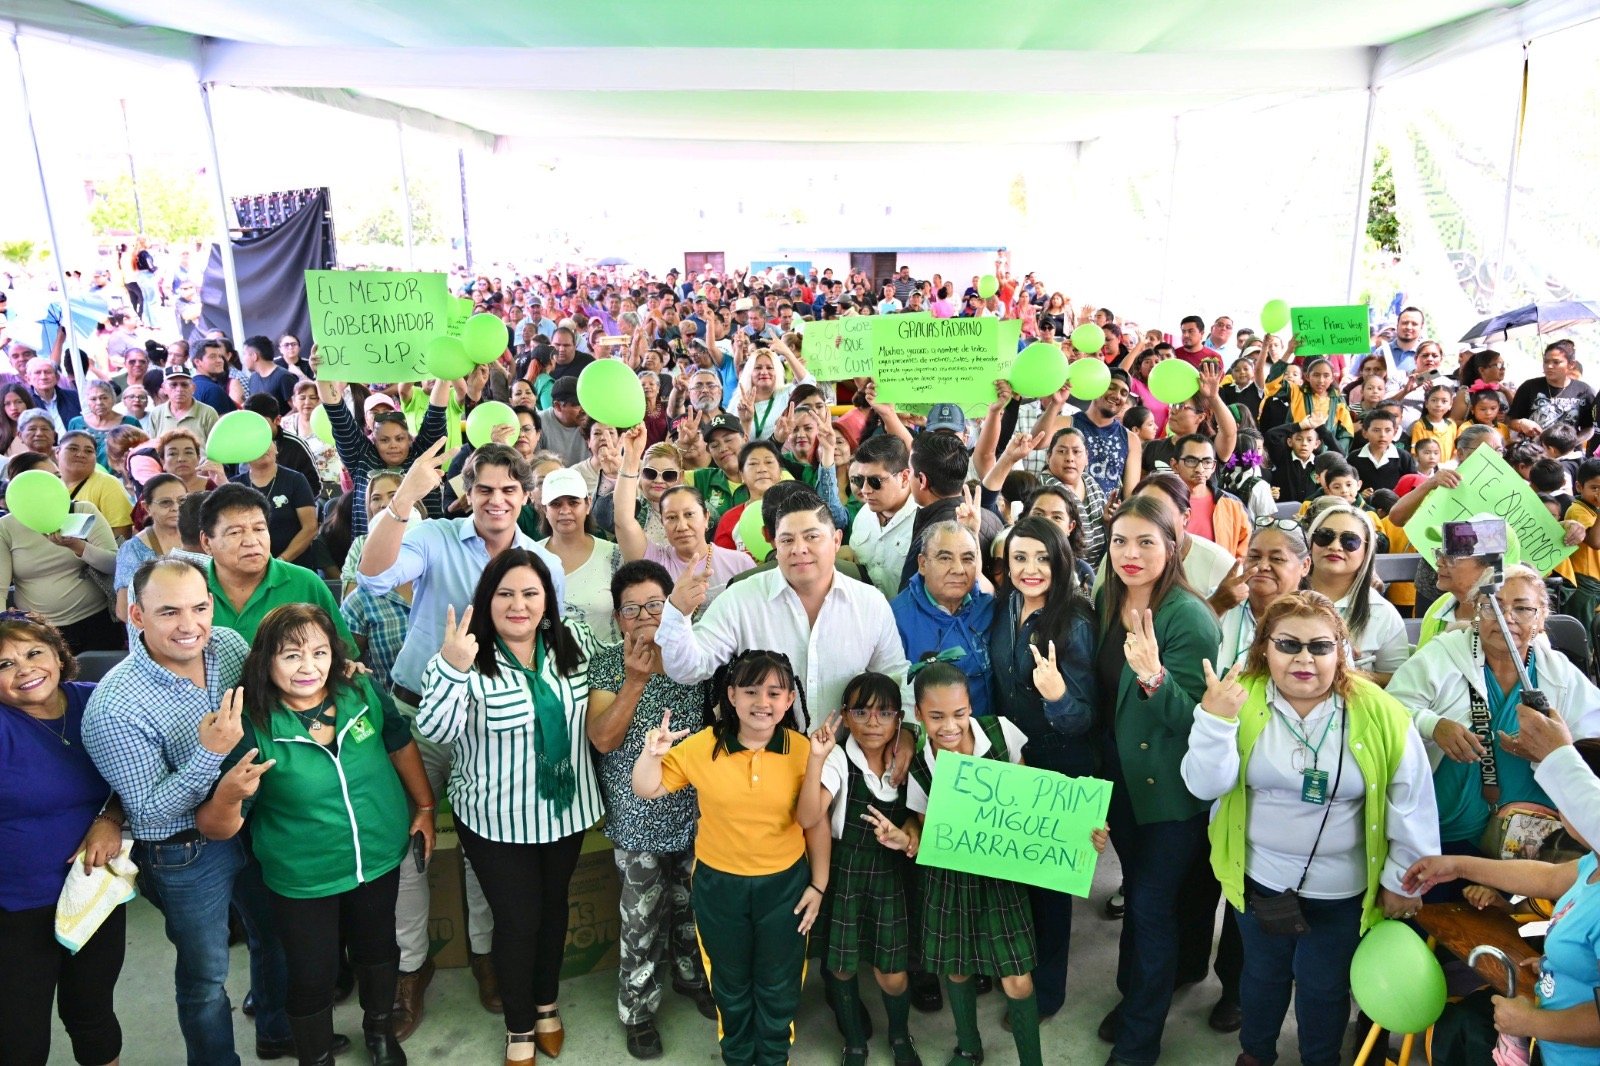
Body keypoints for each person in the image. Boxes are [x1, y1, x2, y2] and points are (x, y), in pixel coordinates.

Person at [357, 441, 565, 1037]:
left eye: (508, 490)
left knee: (487, 846)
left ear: (525, 497)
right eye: (484, 489)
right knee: (409, 847)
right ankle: (410, 969)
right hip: (419, 717)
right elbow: (372, 577)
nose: (496, 500)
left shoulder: (539, 561)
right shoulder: (434, 536)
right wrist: (403, 499)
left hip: (495, 724)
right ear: (467, 493)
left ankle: (486, 956)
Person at [1182, 590, 1438, 1066]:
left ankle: (1321, 1059)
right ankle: (1255, 1053)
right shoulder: (1239, 698)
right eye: (1288, 645)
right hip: (1259, 877)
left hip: (1342, 888)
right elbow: (1203, 786)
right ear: (1265, 649)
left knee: (1324, 985)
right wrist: (1214, 722)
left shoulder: (1378, 710)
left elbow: (1412, 799)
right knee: (1261, 975)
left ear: (1342, 651)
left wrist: (1402, 879)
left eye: (1320, 646)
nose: (1304, 658)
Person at [82, 557, 304, 1064]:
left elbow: (276, 688)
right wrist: (210, 754)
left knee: (273, 933)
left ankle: (276, 1030)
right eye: (169, 613)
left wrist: (338, 671)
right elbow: (149, 811)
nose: (190, 626)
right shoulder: (115, 706)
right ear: (136, 617)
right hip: (184, 853)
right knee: (207, 976)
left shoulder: (225, 644)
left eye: (200, 607)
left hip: (254, 821)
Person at [196, 604, 433, 1066]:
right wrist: (227, 796)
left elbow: (399, 740)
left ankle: (380, 1033)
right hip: (303, 876)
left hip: (378, 857)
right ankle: (316, 1056)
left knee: (379, 951)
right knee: (311, 974)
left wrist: (424, 806)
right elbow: (218, 826)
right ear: (265, 660)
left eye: (320, 652)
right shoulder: (253, 724)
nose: (309, 667)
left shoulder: (360, 689)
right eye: (291, 656)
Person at [418, 550, 604, 1064]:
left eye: (530, 593)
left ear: (547, 600)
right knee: (518, 919)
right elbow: (433, 732)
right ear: (487, 599)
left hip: (565, 812)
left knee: (553, 910)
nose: (518, 604)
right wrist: (454, 671)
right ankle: (519, 1024)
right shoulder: (464, 657)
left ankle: (547, 1003)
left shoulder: (575, 644)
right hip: (496, 819)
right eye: (505, 594)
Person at [631, 649, 829, 1066]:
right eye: (751, 690)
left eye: (775, 692)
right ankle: (738, 1057)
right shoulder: (703, 746)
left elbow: (814, 822)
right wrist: (652, 754)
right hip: (719, 885)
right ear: (731, 695)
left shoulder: (802, 750)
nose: (763, 702)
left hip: (785, 887)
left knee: (779, 984)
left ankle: (774, 1058)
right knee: (730, 983)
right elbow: (646, 789)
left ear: (790, 700)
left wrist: (818, 885)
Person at [905, 661, 1102, 1066]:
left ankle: (1032, 1059)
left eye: (959, 714)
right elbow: (928, 833)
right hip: (949, 881)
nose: (949, 726)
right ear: (919, 714)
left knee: (1016, 976)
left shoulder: (999, 733)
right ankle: (968, 1046)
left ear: (971, 706)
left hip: (1001, 881)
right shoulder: (920, 763)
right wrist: (906, 837)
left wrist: (1085, 833)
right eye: (936, 716)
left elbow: (1035, 804)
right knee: (956, 969)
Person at [1097, 494, 1222, 1066]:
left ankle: (1139, 1038)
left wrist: (1152, 676)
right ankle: (1137, 996)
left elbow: (1200, 723)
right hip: (1121, 784)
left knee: (1148, 906)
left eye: (1147, 541)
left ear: (1174, 547)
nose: (1131, 553)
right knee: (1149, 898)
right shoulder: (1106, 599)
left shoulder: (1188, 616)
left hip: (1171, 793)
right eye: (1121, 540)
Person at [1387, 564, 1600, 888]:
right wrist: (1433, 725)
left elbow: (1592, 739)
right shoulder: (1442, 657)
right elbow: (1388, 712)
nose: (1507, 618)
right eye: (1493, 607)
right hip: (1443, 836)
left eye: (1522, 608)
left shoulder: (1558, 673)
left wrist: (1556, 747)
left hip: (1526, 843)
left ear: (1541, 617)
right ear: (1477, 612)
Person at [1403, 723, 1600, 1063]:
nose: (1557, 809)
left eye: (1567, 797)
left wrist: (1532, 1022)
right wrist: (1458, 866)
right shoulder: (1591, 863)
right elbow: (1549, 877)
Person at [585, 560, 716, 1059]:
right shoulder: (605, 664)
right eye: (632, 609)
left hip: (695, 810)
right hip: (636, 817)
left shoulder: (693, 655)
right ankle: (637, 1011)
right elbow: (602, 738)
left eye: (655, 606)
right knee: (640, 922)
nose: (645, 618)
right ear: (618, 619)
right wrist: (634, 681)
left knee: (692, 909)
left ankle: (689, 977)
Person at [656, 488, 909, 731]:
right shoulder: (740, 598)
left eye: (812, 537)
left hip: (845, 760)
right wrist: (677, 612)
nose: (799, 548)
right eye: (787, 540)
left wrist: (907, 732)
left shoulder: (871, 602)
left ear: (836, 540)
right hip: (764, 760)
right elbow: (688, 669)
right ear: (775, 545)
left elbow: (894, 677)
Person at [0, 612, 129, 1066]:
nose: (25, 669)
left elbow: (130, 779)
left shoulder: (99, 702)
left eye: (34, 652)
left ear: (58, 653)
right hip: (17, 904)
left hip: (94, 891)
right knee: (19, 1035)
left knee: (92, 1012)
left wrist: (110, 818)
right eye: (4, 664)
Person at [988, 516, 1097, 1020]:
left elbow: (1082, 720)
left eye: (1042, 558)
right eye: (1019, 558)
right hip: (1012, 758)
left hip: (1059, 764)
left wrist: (1056, 698)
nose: (1031, 569)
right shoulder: (1003, 605)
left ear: (1061, 560)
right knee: (1013, 881)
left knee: (1049, 894)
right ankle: (1016, 973)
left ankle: (1045, 994)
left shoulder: (1074, 620)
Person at [797, 672, 922, 1066]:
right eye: (862, 712)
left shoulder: (907, 761)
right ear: (846, 717)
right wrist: (815, 759)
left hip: (891, 878)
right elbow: (809, 815)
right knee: (842, 966)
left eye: (884, 713)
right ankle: (854, 1042)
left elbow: (919, 818)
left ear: (899, 721)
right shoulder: (837, 758)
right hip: (846, 873)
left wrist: (909, 833)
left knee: (892, 972)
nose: (873, 722)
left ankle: (901, 1036)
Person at [200, 483, 352, 645]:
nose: (252, 542)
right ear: (207, 542)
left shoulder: (305, 583)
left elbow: (344, 657)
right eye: (235, 532)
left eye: (259, 529)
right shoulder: (192, 588)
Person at [0, 452, 122, 652]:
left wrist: (78, 547)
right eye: (44, 479)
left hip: (96, 621)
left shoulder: (82, 510)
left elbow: (114, 564)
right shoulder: (5, 528)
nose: (55, 485)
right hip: (39, 630)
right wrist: (6, 632)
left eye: (57, 477)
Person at [614, 425, 752, 595]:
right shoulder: (655, 561)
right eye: (671, 517)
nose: (682, 525)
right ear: (663, 522)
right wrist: (631, 457)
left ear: (707, 518)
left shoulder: (740, 563)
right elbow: (623, 521)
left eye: (689, 515)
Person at [1304, 503, 1409, 684]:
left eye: (1350, 541)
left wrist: (1347, 672)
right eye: (1324, 536)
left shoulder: (1381, 612)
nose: (1335, 546)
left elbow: (1397, 679)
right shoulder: (1283, 595)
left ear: (1366, 551)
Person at [899, 430, 1005, 590]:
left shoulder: (931, 537)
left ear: (922, 480)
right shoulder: (993, 519)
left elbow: (910, 597)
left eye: (910, 471)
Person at [535, 467, 621, 642]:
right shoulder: (530, 557)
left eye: (573, 503)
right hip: (547, 664)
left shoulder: (615, 555)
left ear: (588, 504)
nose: (565, 511)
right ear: (545, 509)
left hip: (607, 663)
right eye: (556, 504)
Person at [1216, 519, 1313, 666]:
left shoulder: (1319, 617)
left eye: (1277, 559)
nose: (1262, 566)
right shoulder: (1219, 600)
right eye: (1254, 557)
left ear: (1305, 566)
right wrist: (1216, 606)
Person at [848, 432, 919, 598]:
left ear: (904, 477)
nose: (864, 490)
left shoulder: (922, 520)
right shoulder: (863, 516)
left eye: (875, 481)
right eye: (859, 480)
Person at [231, 438, 319, 566]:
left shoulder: (296, 480)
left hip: (293, 564)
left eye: (267, 442)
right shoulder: (235, 485)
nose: (263, 448)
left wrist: (281, 561)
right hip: (249, 564)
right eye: (256, 444)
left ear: (276, 448)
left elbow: (310, 528)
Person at [114, 473, 191, 620]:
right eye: (165, 503)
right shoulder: (133, 550)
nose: (175, 508)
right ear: (147, 507)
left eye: (182, 501)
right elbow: (124, 611)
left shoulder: (201, 537)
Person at [57, 429, 135, 539]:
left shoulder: (107, 484)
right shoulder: (50, 484)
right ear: (57, 452)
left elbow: (122, 537)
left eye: (88, 451)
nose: (81, 454)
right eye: (73, 449)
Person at [67, 379, 139, 469]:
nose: (99, 403)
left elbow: (141, 453)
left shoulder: (130, 423)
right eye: (93, 399)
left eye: (104, 398)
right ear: (87, 402)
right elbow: (68, 454)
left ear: (113, 399)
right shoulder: (76, 423)